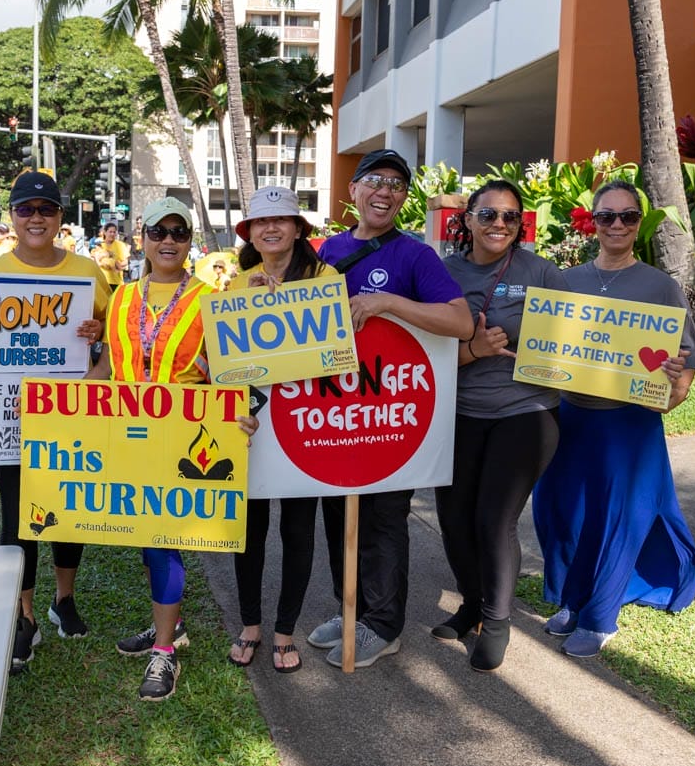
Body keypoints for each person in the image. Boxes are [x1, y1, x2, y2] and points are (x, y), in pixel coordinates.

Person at [307, 148, 472, 669]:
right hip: (331, 414)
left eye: (397, 185)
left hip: (388, 418)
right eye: (374, 181)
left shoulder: (416, 256)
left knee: (383, 519)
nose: (385, 191)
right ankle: (352, 608)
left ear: (404, 198)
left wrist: (388, 303)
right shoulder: (324, 252)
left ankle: (384, 624)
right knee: (339, 515)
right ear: (353, 190)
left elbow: (461, 323)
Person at [90, 197, 258, 700]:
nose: (168, 241)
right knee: (147, 536)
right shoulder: (119, 297)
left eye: (178, 233)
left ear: (191, 242)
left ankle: (164, 653)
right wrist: (62, 411)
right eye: (159, 231)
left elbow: (236, 373)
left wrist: (243, 414)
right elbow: (106, 369)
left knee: (164, 541)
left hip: (183, 440)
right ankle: (171, 625)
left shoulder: (211, 300)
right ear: (141, 236)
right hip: (127, 437)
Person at [0, 171, 109, 672]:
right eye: (25, 209)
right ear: (11, 216)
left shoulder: (88, 272)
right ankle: (24, 615)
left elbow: (117, 338)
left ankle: (64, 599)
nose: (35, 217)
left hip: (72, 412)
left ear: (60, 217)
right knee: (19, 515)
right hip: (9, 416)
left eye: (46, 209)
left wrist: (100, 332)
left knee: (68, 506)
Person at [532, 180, 695, 658]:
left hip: (628, 425)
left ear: (638, 223)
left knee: (618, 517)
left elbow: (684, 363)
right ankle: (570, 598)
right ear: (592, 222)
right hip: (570, 419)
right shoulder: (565, 282)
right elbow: (545, 348)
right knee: (560, 512)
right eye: (607, 216)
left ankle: (601, 615)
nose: (618, 225)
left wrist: (669, 396)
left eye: (628, 216)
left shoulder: (659, 285)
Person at [431, 180, 569, 671]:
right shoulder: (443, 275)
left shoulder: (543, 273)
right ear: (466, 219)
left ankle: (497, 619)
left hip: (526, 412)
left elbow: (587, 337)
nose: (500, 225)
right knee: (453, 518)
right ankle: (470, 603)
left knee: (494, 519)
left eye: (511, 217)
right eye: (488, 214)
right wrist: (475, 351)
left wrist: (648, 368)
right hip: (459, 411)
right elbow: (424, 359)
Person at [228, 186, 336, 673]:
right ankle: (250, 624)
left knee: (298, 529)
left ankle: (284, 630)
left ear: (298, 228)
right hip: (251, 421)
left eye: (281, 221)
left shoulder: (325, 277)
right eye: (260, 223)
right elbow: (227, 362)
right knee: (248, 530)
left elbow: (336, 352)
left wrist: (290, 305)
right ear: (250, 233)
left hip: (305, 423)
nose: (271, 229)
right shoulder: (238, 283)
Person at [93, 221, 129, 288]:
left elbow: (126, 261)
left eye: (114, 232)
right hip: (102, 281)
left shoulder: (121, 245)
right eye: (110, 232)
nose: (112, 234)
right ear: (105, 232)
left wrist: (118, 265)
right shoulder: (99, 246)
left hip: (117, 281)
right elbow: (94, 261)